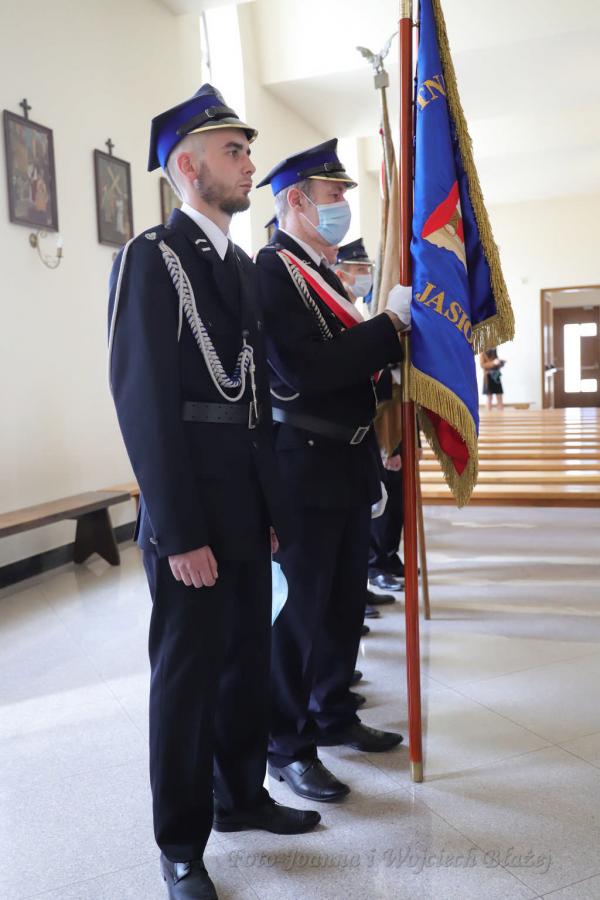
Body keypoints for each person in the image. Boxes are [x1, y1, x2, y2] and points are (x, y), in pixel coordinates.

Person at [108, 85, 320, 900]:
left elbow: (255, 401)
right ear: (189, 168)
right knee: (188, 678)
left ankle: (242, 796)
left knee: (245, 662)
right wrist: (180, 529)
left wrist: (266, 511)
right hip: (191, 507)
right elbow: (142, 402)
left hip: (244, 505)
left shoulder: (237, 264)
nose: (249, 163)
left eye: (247, 150)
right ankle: (180, 845)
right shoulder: (152, 257)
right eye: (235, 151)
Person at [255, 139, 412, 804]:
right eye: (334, 194)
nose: (344, 204)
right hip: (304, 464)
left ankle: (332, 713)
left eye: (345, 193)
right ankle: (287, 746)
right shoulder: (272, 271)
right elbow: (305, 371)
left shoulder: (320, 273)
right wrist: (388, 326)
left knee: (345, 603)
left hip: (347, 459)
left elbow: (352, 366)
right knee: (301, 616)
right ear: (295, 200)